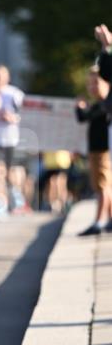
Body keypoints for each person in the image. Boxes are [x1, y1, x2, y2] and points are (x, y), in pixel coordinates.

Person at [0, 65, 24, 219]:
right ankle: (0, 203)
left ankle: (15, 193)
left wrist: (13, 118)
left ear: (7, 77)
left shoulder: (14, 94)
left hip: (11, 139)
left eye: (0, 76)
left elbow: (26, 114)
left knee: (10, 173)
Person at [75, 67, 112, 235]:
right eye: (90, 84)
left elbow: (86, 116)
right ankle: (109, 219)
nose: (93, 87)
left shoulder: (105, 105)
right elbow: (84, 117)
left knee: (103, 186)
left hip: (103, 151)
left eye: (96, 83)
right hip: (95, 150)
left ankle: (99, 221)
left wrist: (82, 109)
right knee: (100, 186)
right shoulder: (99, 104)